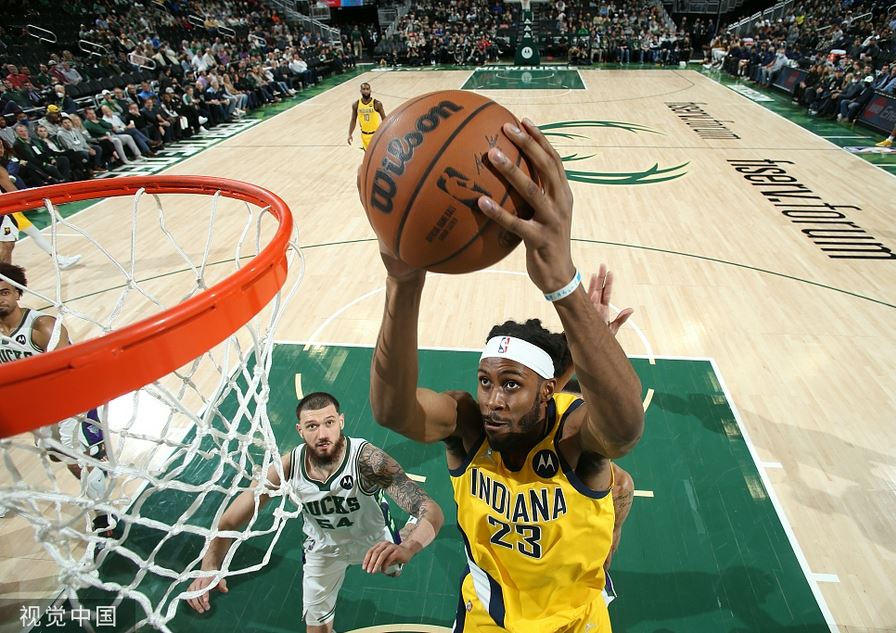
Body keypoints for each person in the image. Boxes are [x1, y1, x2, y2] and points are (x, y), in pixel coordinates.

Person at [369, 119, 645, 632]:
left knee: (618, 486)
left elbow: (625, 430)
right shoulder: (469, 425)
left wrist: (564, 285)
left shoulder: (573, 435)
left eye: (511, 385)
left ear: (549, 390)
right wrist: (403, 282)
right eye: (486, 381)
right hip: (486, 620)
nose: (492, 399)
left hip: (575, 623)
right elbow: (392, 410)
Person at [186, 391, 444, 633]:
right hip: (323, 548)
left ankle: (406, 529)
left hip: (374, 539)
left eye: (329, 423)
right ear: (300, 430)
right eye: (312, 426)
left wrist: (408, 547)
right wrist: (209, 568)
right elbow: (230, 520)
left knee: (394, 567)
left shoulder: (367, 460)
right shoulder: (288, 466)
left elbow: (430, 509)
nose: (322, 434)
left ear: (341, 421)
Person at [0, 263, 110, 535]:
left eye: (4, 292)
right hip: (38, 409)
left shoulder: (43, 327)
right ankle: (97, 462)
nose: (0, 299)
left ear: (17, 292)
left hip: (71, 401)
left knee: (78, 459)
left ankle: (102, 516)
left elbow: (68, 375)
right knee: (60, 457)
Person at [347, 82, 386, 150]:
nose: (366, 91)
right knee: (367, 155)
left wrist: (387, 132)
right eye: (364, 89)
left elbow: (384, 119)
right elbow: (353, 120)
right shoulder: (356, 104)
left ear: (370, 90)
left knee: (376, 154)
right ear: (360, 91)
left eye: (367, 89)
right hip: (364, 135)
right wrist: (350, 134)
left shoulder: (377, 103)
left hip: (376, 134)